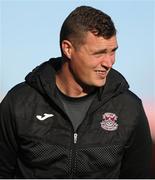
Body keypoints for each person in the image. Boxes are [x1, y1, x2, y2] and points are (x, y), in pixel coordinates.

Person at [0, 5, 152, 178]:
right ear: (68, 49)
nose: (109, 62)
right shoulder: (19, 102)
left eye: (112, 51)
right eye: (99, 53)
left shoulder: (128, 108)